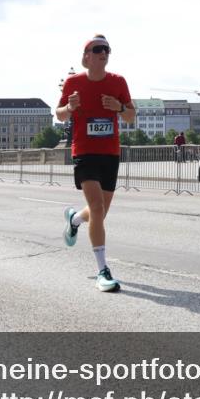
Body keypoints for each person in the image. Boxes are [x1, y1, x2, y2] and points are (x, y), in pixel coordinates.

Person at [56, 35, 137, 292]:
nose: (104, 52)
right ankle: (103, 270)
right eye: (98, 49)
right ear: (87, 56)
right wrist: (69, 106)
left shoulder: (118, 82)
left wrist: (118, 107)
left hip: (110, 152)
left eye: (107, 49)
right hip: (85, 151)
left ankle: (75, 220)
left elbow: (131, 117)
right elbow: (59, 115)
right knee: (98, 208)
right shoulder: (73, 82)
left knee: (99, 212)